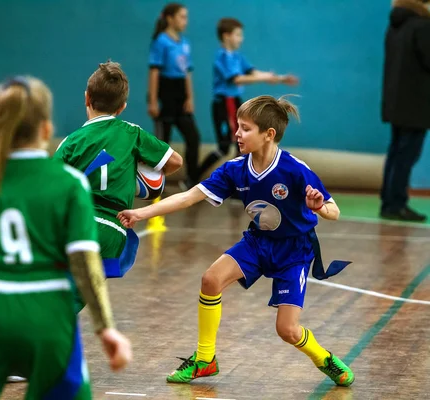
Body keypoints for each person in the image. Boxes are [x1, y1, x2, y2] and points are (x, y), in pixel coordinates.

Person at [0, 76, 132, 399]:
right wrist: (106, 328)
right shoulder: (70, 185)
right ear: (46, 130)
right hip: (48, 318)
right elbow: (86, 265)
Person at [117, 95, 355, 387]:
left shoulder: (294, 170)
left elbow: (335, 211)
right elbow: (189, 196)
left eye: (245, 128)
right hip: (257, 242)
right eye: (237, 127)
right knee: (210, 280)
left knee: (288, 330)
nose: (237, 134)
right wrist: (142, 212)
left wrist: (319, 206)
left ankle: (324, 358)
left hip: (294, 250)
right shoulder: (235, 169)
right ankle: (205, 360)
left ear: (268, 134)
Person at [54, 61, 183, 313]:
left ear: (86, 98)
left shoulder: (71, 142)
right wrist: (134, 170)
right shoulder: (132, 134)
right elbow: (176, 161)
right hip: (113, 231)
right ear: (122, 107)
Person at [198, 17, 298, 179]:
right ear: (226, 36)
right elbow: (237, 78)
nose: (241, 38)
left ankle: (236, 184)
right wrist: (264, 78)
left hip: (235, 101)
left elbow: (252, 72)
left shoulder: (237, 56)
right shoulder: (222, 57)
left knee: (238, 145)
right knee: (226, 147)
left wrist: (279, 78)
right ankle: (195, 177)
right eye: (237, 35)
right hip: (224, 103)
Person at [380, 0, 430, 222]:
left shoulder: (395, 26)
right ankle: (397, 204)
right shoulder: (422, 26)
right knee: (407, 155)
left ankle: (388, 202)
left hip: (396, 102)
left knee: (396, 154)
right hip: (416, 104)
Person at [148, 2, 201, 190]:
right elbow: (154, 72)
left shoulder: (185, 43)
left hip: (181, 94)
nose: (185, 21)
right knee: (163, 142)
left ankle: (191, 180)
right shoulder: (161, 41)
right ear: (170, 18)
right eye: (182, 16)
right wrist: (153, 100)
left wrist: (190, 97)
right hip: (166, 94)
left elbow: (187, 72)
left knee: (193, 137)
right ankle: (152, 181)